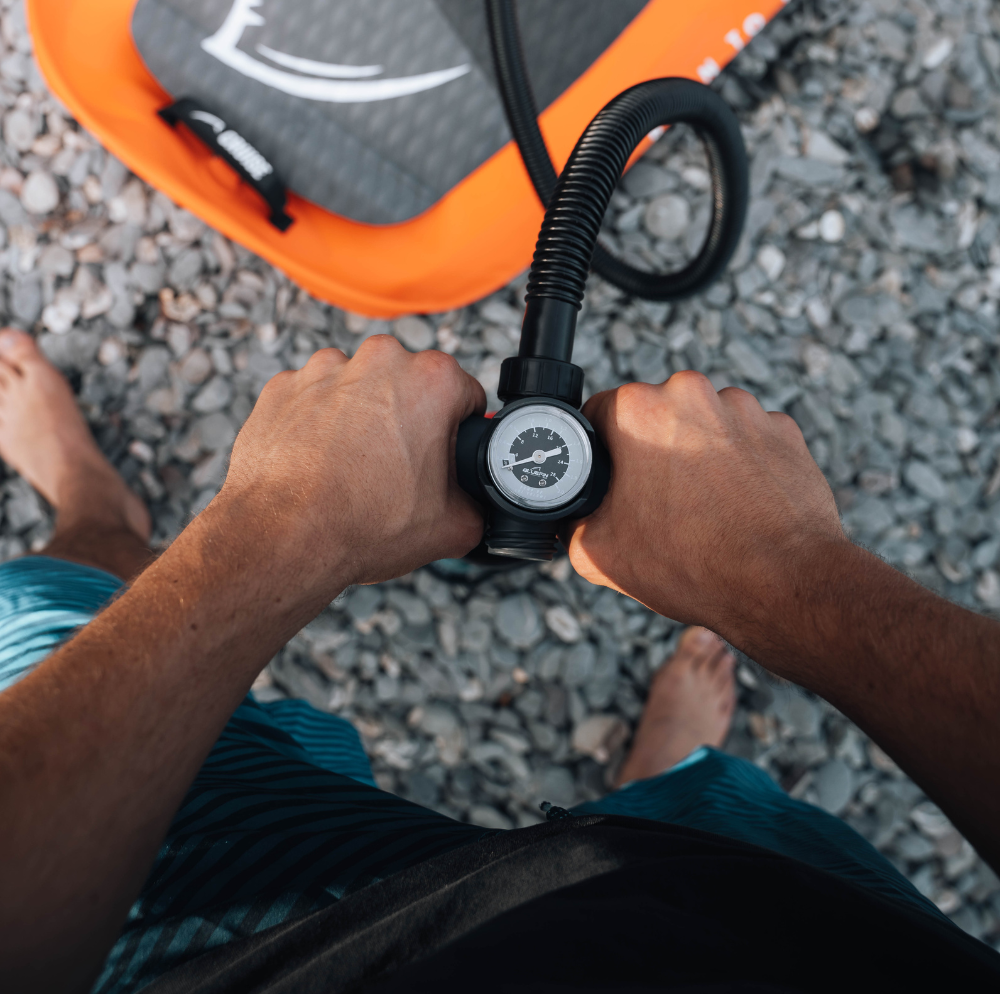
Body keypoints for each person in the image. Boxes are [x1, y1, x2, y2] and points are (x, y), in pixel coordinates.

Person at [0, 326, 997, 994]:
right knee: (716, 833)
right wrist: (788, 576)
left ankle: (96, 519)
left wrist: (278, 525)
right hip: (784, 930)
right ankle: (660, 799)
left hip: (241, 942)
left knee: (66, 621)